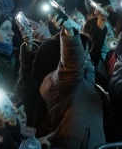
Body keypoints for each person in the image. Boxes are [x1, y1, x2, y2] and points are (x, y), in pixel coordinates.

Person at [39, 14, 106, 148]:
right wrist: (69, 34)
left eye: (87, 51)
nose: (86, 56)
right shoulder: (59, 81)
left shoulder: (87, 78)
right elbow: (72, 63)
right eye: (82, 51)